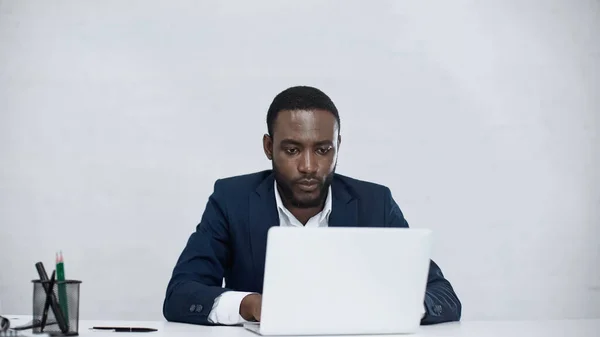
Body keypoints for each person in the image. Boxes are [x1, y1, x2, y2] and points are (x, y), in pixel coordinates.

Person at [163, 86, 462, 326]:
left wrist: (392, 306)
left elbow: (443, 297)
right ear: (269, 147)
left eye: (322, 150)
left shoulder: (375, 203)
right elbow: (180, 294)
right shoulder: (231, 199)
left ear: (337, 145)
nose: (308, 166)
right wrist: (250, 304)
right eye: (292, 150)